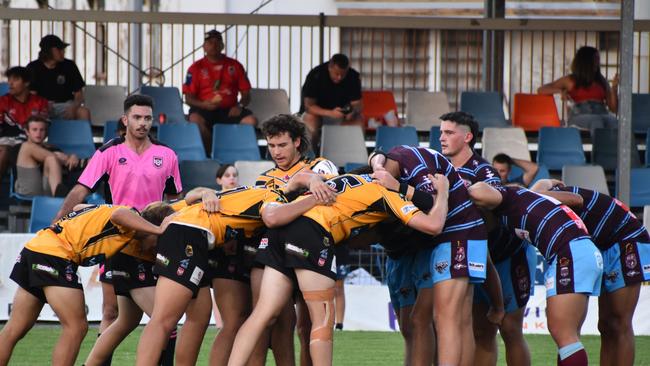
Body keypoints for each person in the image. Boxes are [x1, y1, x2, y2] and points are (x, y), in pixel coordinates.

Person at [229, 170, 450, 366]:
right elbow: (433, 225)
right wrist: (443, 193)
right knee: (322, 321)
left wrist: (314, 180)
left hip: (281, 229)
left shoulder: (348, 178)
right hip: (311, 233)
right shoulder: (387, 193)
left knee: (261, 315)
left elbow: (303, 176)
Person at [54, 94, 182, 365]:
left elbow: (174, 201)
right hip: (119, 241)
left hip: (154, 244)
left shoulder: (167, 155)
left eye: (147, 118)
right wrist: (57, 224)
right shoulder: (108, 152)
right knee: (112, 312)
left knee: (132, 317)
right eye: (137, 117)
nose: (143, 123)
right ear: (125, 120)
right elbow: (80, 190)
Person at [135, 184, 327, 366]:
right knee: (164, 320)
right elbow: (274, 217)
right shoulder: (273, 197)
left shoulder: (250, 194)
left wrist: (208, 195)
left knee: (191, 318)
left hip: (197, 238)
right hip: (190, 234)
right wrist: (316, 197)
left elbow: (192, 195)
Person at [0, 202, 173, 366]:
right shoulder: (130, 217)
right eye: (158, 243)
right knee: (76, 328)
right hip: (55, 254)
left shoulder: (111, 214)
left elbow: (78, 207)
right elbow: (120, 214)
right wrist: (158, 230)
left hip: (36, 247)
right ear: (148, 227)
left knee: (15, 329)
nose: (155, 249)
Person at [370, 145, 489, 366]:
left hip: (455, 236)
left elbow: (435, 208)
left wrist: (398, 187)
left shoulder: (418, 167)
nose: (443, 138)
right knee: (461, 320)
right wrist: (378, 167)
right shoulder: (397, 155)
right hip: (468, 234)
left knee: (445, 320)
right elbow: (376, 155)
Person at [467, 182, 603, 366]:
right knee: (568, 335)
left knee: (561, 332)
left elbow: (478, 190)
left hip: (569, 253)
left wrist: (458, 190)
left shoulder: (509, 198)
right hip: (583, 251)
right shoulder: (526, 199)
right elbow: (571, 198)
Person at [439, 111, 535, 366]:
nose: (442, 138)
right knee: (481, 330)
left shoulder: (484, 171)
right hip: (475, 257)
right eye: (440, 132)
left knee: (510, 328)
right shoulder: (439, 168)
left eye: (449, 132)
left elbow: (492, 213)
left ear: (467, 137)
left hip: (507, 256)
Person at [532, 180, 650, 366]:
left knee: (618, 322)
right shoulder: (535, 195)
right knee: (603, 325)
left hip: (626, 237)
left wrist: (538, 191)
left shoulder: (534, 200)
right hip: (597, 243)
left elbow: (576, 199)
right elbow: (541, 185)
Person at [253, 114, 339, 366]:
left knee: (308, 325)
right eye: (271, 146)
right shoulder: (264, 178)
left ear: (297, 142)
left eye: (282, 145)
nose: (276, 152)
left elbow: (336, 198)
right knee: (275, 320)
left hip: (313, 248)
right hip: (276, 252)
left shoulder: (321, 166)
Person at [183, 29, 257, 154]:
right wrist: (203, 104)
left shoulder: (235, 65)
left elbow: (246, 94)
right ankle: (210, 154)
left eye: (217, 42)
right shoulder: (195, 68)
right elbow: (188, 98)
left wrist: (239, 105)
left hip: (230, 110)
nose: (214, 45)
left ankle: (232, 152)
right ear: (204, 46)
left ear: (222, 46)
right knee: (195, 120)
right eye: (210, 42)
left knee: (251, 121)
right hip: (204, 109)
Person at [538, 46, 617, 133]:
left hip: (602, 113)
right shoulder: (570, 80)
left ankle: (620, 147)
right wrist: (560, 91)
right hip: (579, 115)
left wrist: (614, 88)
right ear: (586, 61)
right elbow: (541, 90)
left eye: (598, 59)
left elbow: (613, 108)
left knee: (615, 122)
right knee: (596, 121)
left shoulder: (601, 80)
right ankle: (600, 146)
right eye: (595, 59)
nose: (598, 63)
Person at [300, 53, 364, 151]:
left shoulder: (353, 76)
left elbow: (357, 104)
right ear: (330, 67)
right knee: (309, 122)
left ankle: (349, 158)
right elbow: (309, 106)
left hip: (342, 117)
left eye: (343, 75)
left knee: (359, 123)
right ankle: (311, 157)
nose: (339, 77)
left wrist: (352, 111)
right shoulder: (316, 74)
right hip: (318, 115)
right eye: (336, 74)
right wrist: (330, 113)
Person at [15, 115, 85, 197]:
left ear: (46, 132)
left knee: (51, 159)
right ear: (27, 132)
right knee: (28, 147)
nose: (38, 133)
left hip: (47, 190)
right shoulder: (19, 147)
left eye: (42, 130)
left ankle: (58, 195)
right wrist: (67, 159)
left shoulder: (52, 148)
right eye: (34, 130)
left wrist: (71, 157)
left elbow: (69, 166)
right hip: (29, 189)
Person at [26, 34, 90, 121]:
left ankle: (83, 134)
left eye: (63, 49)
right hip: (42, 106)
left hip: (66, 105)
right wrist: (42, 106)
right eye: (59, 49)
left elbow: (79, 94)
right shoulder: (33, 67)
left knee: (83, 112)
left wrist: (74, 107)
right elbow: (31, 95)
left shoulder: (69, 65)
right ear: (49, 51)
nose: (63, 52)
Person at [0, 66, 49, 179]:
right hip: (6, 142)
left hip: (31, 143)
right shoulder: (3, 101)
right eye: (9, 80)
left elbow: (43, 129)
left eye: (15, 79)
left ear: (26, 83)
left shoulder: (40, 102)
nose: (10, 83)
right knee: (4, 150)